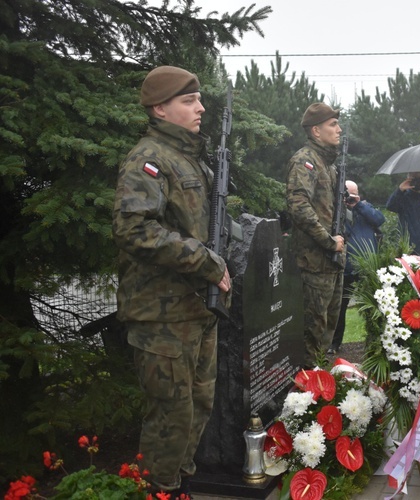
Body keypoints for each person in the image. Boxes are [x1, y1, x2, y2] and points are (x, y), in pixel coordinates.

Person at [112, 65, 231, 497]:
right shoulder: (149, 159)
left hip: (195, 310)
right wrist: (205, 261)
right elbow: (133, 230)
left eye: (199, 99)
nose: (201, 108)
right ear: (161, 108)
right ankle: (160, 490)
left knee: (197, 409)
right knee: (169, 416)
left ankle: (177, 485)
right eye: (189, 100)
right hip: (161, 316)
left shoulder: (188, 158)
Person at [286, 102, 346, 367]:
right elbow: (298, 206)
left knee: (326, 333)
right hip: (314, 263)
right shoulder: (305, 161)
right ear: (316, 131)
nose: (339, 129)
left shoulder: (328, 165)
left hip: (331, 262)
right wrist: (328, 241)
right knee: (311, 336)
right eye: (333, 124)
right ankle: (307, 394)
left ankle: (322, 394)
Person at [328, 180, 385, 354]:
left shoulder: (366, 208)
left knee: (372, 306)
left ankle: (375, 342)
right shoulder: (338, 212)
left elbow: (379, 219)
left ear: (358, 194)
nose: (349, 198)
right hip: (346, 267)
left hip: (366, 266)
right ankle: (334, 344)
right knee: (339, 307)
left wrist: (358, 205)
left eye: (353, 194)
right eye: (347, 194)